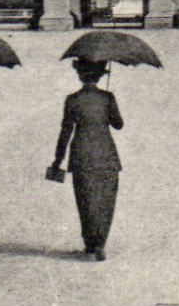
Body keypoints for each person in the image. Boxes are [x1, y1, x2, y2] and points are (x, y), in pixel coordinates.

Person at [49, 58, 124, 260]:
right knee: (105, 200)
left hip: (81, 155)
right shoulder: (107, 98)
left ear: (80, 75)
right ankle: (100, 243)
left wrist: (58, 160)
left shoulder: (72, 99)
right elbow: (119, 124)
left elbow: (65, 131)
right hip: (107, 156)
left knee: (86, 201)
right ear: (100, 76)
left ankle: (90, 245)